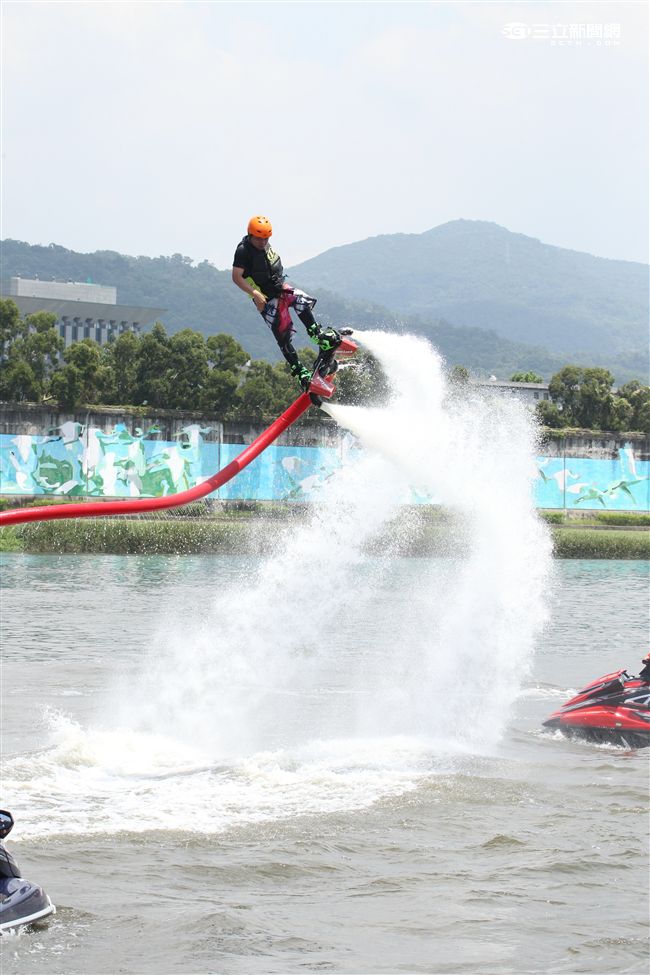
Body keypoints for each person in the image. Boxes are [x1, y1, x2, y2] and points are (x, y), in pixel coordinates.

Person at [232, 215, 342, 390]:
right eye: (259, 238)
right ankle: (300, 373)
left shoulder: (265, 245)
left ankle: (318, 336)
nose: (263, 242)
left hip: (281, 288)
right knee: (282, 335)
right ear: (250, 235)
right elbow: (236, 277)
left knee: (302, 301)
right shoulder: (243, 251)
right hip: (266, 299)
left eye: (266, 238)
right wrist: (254, 293)